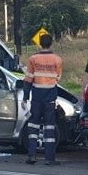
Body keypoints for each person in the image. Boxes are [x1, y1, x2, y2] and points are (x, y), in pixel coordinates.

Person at [21, 34, 63, 166]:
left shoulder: (33, 59)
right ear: (51, 44)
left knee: (33, 126)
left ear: (40, 44)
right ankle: (49, 158)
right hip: (50, 98)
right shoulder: (57, 60)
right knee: (49, 127)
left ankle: (32, 155)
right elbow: (57, 78)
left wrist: (25, 97)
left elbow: (28, 80)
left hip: (37, 98)